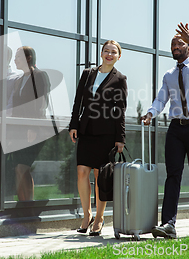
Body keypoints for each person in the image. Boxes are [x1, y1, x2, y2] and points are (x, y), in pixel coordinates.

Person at [141, 22, 189, 239]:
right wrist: (151, 113)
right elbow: (161, 98)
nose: (175, 47)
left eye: (179, 43)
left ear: (188, 46)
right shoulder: (169, 74)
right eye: (172, 44)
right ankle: (168, 224)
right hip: (176, 130)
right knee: (173, 176)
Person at [69, 40, 127, 236]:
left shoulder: (120, 79)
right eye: (106, 51)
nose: (109, 54)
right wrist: (73, 125)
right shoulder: (87, 74)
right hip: (86, 130)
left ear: (119, 56)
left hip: (106, 134)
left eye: (113, 52)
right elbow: (78, 101)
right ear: (101, 53)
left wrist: (120, 138)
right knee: (82, 173)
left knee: (99, 175)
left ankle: (100, 218)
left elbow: (120, 111)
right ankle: (87, 215)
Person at [6, 46, 51, 201]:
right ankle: (23, 205)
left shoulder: (39, 75)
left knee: (22, 167)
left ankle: (29, 204)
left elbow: (41, 103)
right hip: (19, 130)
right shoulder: (19, 80)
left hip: (34, 129)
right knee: (17, 169)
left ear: (28, 58)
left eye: (18, 57)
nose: (15, 60)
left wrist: (33, 126)